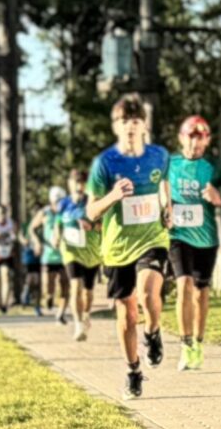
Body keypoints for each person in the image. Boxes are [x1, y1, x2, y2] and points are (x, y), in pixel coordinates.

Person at [87, 93, 172, 400]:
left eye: (136, 121)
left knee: (149, 294)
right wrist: (112, 196)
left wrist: (168, 207)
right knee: (127, 317)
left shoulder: (159, 156)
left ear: (144, 126)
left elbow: (164, 184)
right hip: (117, 247)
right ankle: (133, 370)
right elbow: (91, 211)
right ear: (116, 126)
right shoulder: (105, 163)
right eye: (125, 121)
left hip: (152, 239)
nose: (131, 127)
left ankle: (153, 334)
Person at [166, 114, 221, 371]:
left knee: (201, 293)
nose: (196, 143)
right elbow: (155, 188)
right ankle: (185, 344)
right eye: (192, 137)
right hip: (178, 236)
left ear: (207, 141)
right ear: (181, 138)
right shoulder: (170, 164)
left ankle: (198, 343)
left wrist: (220, 198)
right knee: (184, 285)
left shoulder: (214, 166)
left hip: (206, 238)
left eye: (202, 138)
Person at [57, 167, 100, 339]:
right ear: (69, 184)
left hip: (91, 251)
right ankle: (78, 324)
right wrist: (55, 235)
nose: (78, 186)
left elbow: (103, 225)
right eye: (75, 182)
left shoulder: (92, 201)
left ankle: (87, 315)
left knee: (88, 292)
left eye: (82, 183)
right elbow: (58, 221)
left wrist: (91, 225)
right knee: (75, 286)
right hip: (70, 250)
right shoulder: (64, 203)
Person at [35, 184, 69, 318]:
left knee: (65, 285)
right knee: (48, 288)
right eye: (56, 202)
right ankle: (49, 297)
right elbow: (32, 228)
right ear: (51, 201)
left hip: (65, 254)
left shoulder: (67, 212)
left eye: (61, 201)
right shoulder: (44, 212)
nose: (58, 204)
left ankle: (60, 313)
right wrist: (38, 242)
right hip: (49, 255)